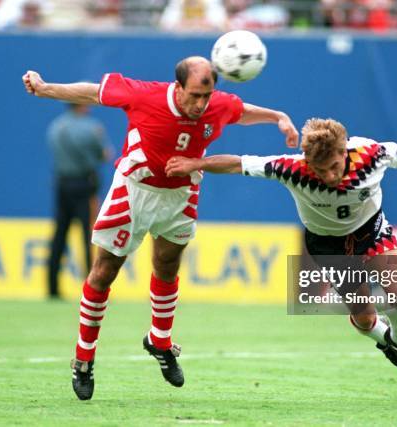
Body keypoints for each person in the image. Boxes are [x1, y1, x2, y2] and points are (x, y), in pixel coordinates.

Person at [22, 56, 298, 400]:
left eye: (206, 96)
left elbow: (240, 111)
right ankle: (83, 358)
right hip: (134, 190)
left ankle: (160, 342)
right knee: (104, 272)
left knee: (167, 268)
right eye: (194, 95)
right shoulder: (145, 96)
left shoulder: (216, 104)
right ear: (178, 86)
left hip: (180, 195)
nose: (201, 104)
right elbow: (94, 92)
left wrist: (279, 118)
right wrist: (47, 89)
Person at [165, 118, 397, 380]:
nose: (329, 176)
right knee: (365, 320)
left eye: (334, 166)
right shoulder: (293, 169)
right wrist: (197, 163)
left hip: (372, 231)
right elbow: (238, 163)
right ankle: (385, 340)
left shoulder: (371, 153)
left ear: (344, 150)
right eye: (320, 170)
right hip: (328, 246)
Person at [47, 103, 111, 299]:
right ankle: (92, 286)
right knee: (89, 236)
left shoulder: (56, 126)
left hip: (62, 184)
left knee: (60, 234)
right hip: (85, 185)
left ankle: (52, 286)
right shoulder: (91, 127)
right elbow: (104, 154)